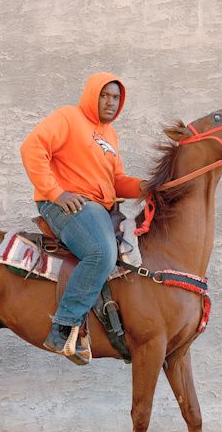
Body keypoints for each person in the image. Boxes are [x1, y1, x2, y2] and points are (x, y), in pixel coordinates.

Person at [20, 72, 142, 361]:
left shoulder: (110, 135)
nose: (111, 102)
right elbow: (32, 148)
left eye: (116, 97)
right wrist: (56, 193)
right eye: (104, 95)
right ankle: (62, 329)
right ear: (92, 94)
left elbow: (117, 180)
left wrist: (146, 186)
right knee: (101, 253)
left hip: (98, 209)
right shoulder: (68, 118)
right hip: (68, 206)